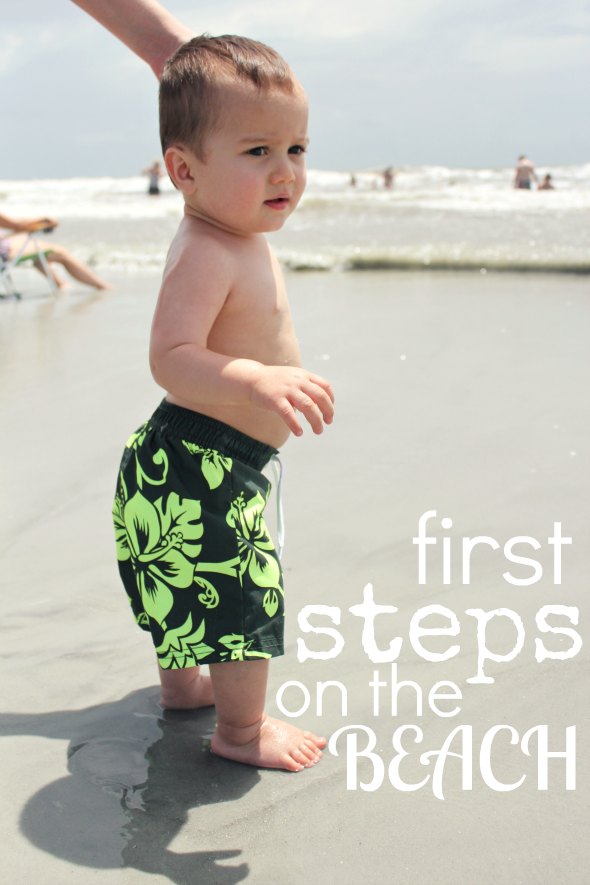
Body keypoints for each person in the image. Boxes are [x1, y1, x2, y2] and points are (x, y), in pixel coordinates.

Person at [111, 35, 334, 772]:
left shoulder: (235, 231)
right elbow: (170, 358)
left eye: (296, 148)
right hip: (196, 462)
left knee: (180, 585)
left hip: (187, 462)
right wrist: (257, 380)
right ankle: (240, 730)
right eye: (258, 151)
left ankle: (184, 690)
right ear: (184, 170)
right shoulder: (208, 247)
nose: (285, 171)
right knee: (242, 593)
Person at [0, 212, 110, 290]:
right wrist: (44, 220)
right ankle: (103, 287)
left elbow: (16, 227)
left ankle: (61, 284)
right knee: (58, 252)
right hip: (3, 254)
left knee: (37, 248)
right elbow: (17, 225)